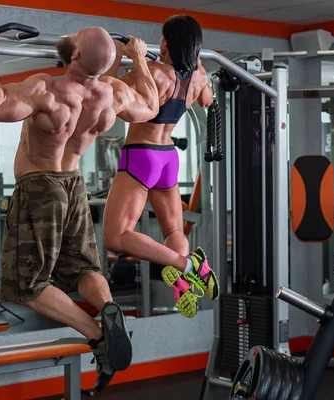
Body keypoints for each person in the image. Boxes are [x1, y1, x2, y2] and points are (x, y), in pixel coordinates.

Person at [0, 24, 159, 392]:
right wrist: (138, 58)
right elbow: (151, 106)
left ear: (74, 54)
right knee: (84, 269)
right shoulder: (113, 93)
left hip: (40, 185)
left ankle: (95, 333)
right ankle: (106, 307)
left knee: (27, 286)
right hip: (75, 186)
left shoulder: (48, 88)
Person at [102, 15, 218, 319]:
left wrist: (119, 54)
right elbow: (207, 100)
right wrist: (195, 59)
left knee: (115, 236)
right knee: (174, 230)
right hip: (168, 157)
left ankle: (187, 265)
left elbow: (108, 93)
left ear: (165, 42)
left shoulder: (153, 72)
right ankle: (183, 283)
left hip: (142, 155)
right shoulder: (198, 77)